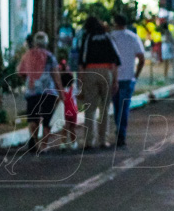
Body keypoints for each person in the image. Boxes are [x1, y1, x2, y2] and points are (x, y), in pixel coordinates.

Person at [77, 16, 121, 149]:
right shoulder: (107, 37)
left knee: (90, 108)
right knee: (105, 108)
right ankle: (103, 140)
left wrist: (81, 82)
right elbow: (115, 60)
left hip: (90, 72)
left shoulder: (87, 38)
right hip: (106, 71)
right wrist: (115, 80)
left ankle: (89, 141)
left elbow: (81, 61)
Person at [17, 32, 62, 152]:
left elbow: (20, 72)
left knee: (33, 117)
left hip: (32, 92)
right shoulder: (50, 56)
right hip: (49, 92)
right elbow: (55, 75)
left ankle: (33, 138)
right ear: (46, 43)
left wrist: (29, 80)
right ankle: (44, 145)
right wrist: (61, 91)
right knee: (47, 120)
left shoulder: (27, 55)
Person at [109, 13, 146, 148]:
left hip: (114, 77)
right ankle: (121, 133)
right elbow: (142, 58)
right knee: (124, 107)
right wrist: (136, 75)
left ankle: (119, 130)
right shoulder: (132, 37)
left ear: (115, 23)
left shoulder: (111, 37)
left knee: (117, 106)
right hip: (128, 77)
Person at [59, 71, 79, 149]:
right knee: (72, 128)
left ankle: (63, 143)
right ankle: (73, 143)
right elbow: (77, 96)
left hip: (65, 110)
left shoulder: (62, 91)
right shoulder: (73, 89)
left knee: (65, 127)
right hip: (73, 110)